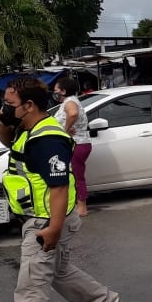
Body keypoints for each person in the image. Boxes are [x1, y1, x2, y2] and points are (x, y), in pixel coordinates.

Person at [0, 74, 119, 302]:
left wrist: (53, 229)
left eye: (10, 104)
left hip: (48, 219)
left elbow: (59, 188)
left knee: (31, 285)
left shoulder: (48, 139)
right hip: (43, 215)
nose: (6, 108)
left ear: (29, 105)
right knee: (58, 272)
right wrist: (2, 120)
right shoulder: (27, 127)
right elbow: (7, 140)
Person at [53, 75, 92, 217]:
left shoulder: (70, 102)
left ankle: (82, 207)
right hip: (77, 143)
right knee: (73, 175)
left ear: (63, 91)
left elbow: (73, 114)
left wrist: (65, 130)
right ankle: (75, 204)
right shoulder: (72, 101)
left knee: (76, 175)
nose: (54, 92)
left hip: (77, 144)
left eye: (56, 90)